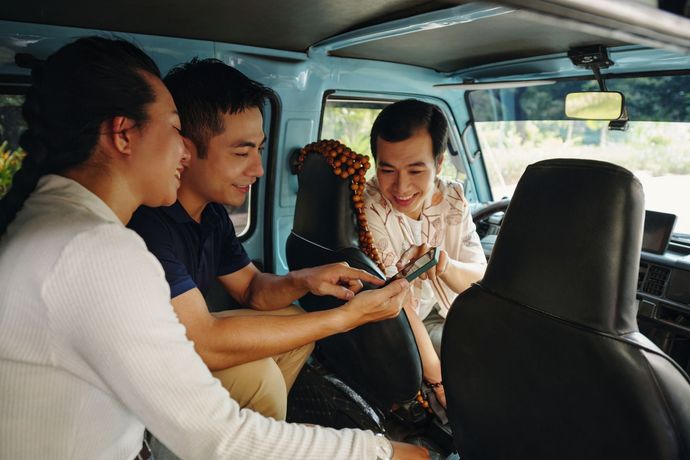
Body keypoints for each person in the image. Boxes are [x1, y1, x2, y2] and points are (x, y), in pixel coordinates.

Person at [0, 37, 427, 460]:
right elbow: (219, 436)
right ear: (124, 135)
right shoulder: (96, 249)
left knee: (286, 326)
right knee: (261, 379)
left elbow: (252, 290)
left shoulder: (62, 223)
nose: (181, 150)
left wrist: (306, 280)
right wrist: (381, 451)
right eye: (173, 128)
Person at [364, 99, 488, 408]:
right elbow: (395, 301)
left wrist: (444, 264)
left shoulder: (453, 196)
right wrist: (435, 375)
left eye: (416, 170)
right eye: (387, 169)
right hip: (405, 324)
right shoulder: (371, 208)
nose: (400, 187)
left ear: (439, 163)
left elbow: (479, 276)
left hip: (451, 312)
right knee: (478, 370)